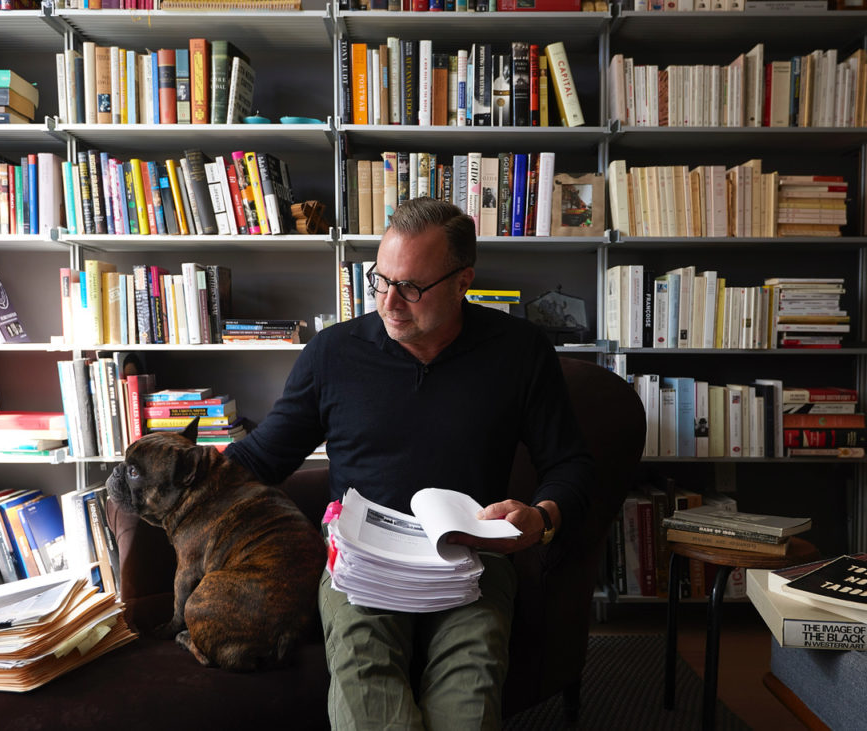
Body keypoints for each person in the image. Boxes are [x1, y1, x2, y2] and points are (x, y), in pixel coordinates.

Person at [225, 197, 594, 730]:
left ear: (463, 280)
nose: (391, 302)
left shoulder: (520, 351)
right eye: (381, 280)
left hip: (471, 556)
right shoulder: (333, 354)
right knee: (364, 684)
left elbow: (571, 465)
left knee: (469, 694)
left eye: (413, 288)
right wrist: (172, 475)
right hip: (361, 559)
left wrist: (542, 517)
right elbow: (262, 457)